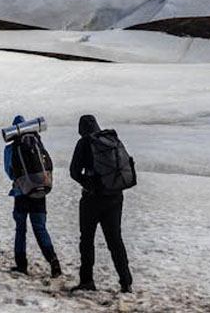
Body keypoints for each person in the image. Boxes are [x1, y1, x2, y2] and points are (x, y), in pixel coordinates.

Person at [69, 114, 133, 293]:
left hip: (93, 199)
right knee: (115, 241)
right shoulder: (111, 139)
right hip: (115, 197)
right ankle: (126, 282)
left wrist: (87, 182)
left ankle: (87, 281)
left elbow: (74, 171)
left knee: (87, 240)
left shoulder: (84, 143)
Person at [3, 115, 62, 278]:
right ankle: (54, 262)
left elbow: (9, 172)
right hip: (39, 192)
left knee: (20, 229)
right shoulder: (37, 143)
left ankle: (21, 265)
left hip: (21, 193)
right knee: (40, 228)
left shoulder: (11, 147)